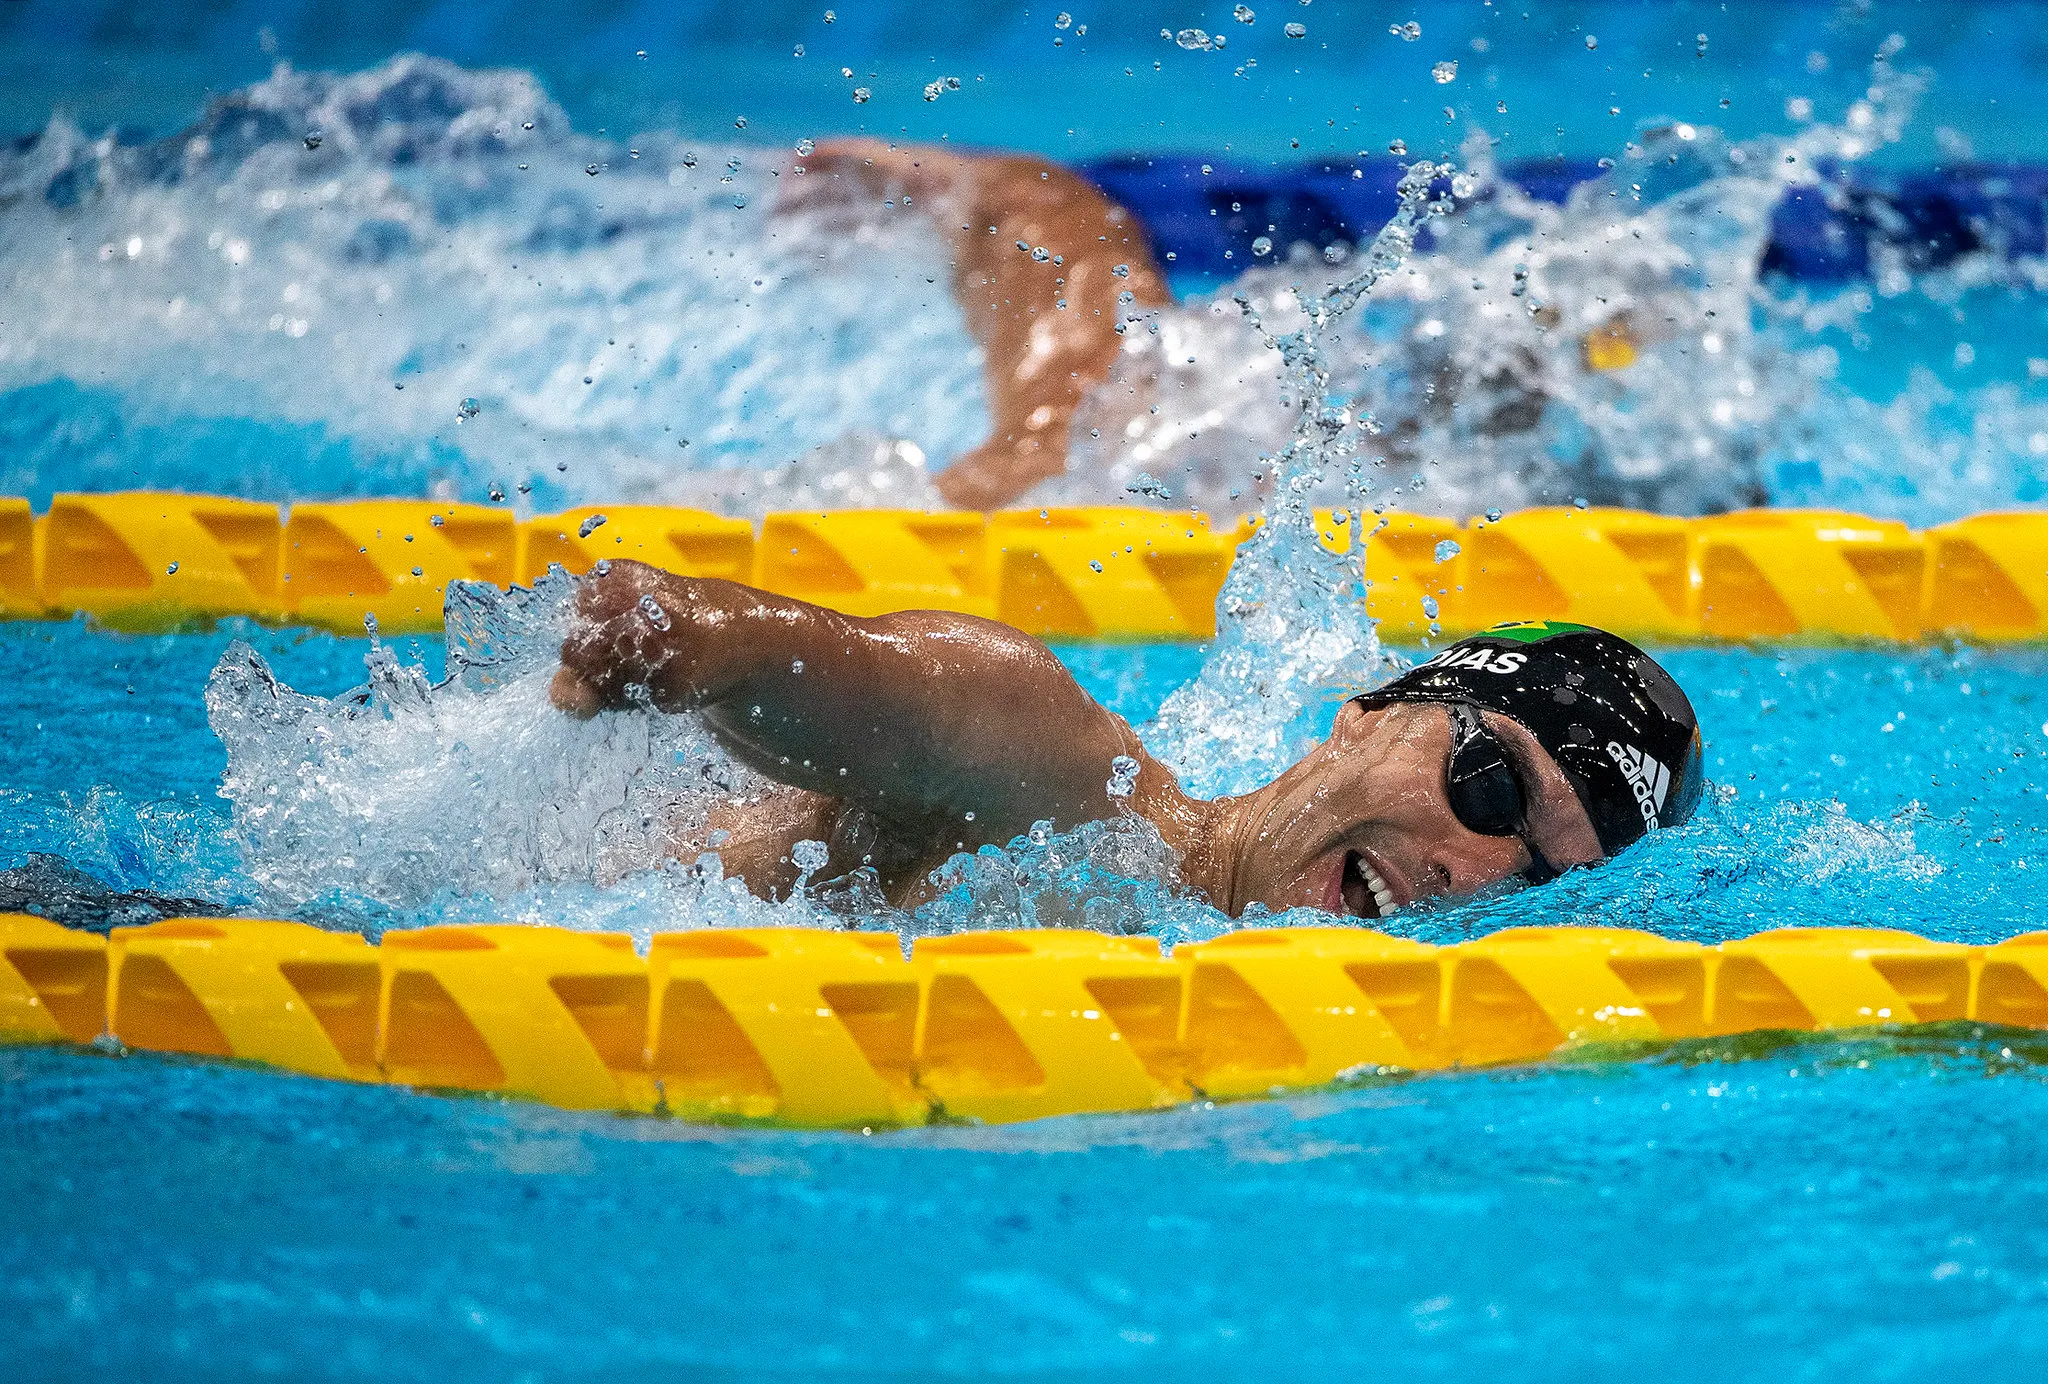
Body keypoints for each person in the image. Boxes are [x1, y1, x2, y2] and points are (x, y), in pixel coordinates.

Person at [550, 560, 1704, 919]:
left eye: (1546, 882)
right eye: (1491, 785)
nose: (1480, 874)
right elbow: (880, 687)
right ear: (1362, 713)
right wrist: (694, 637)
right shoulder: (1064, 788)